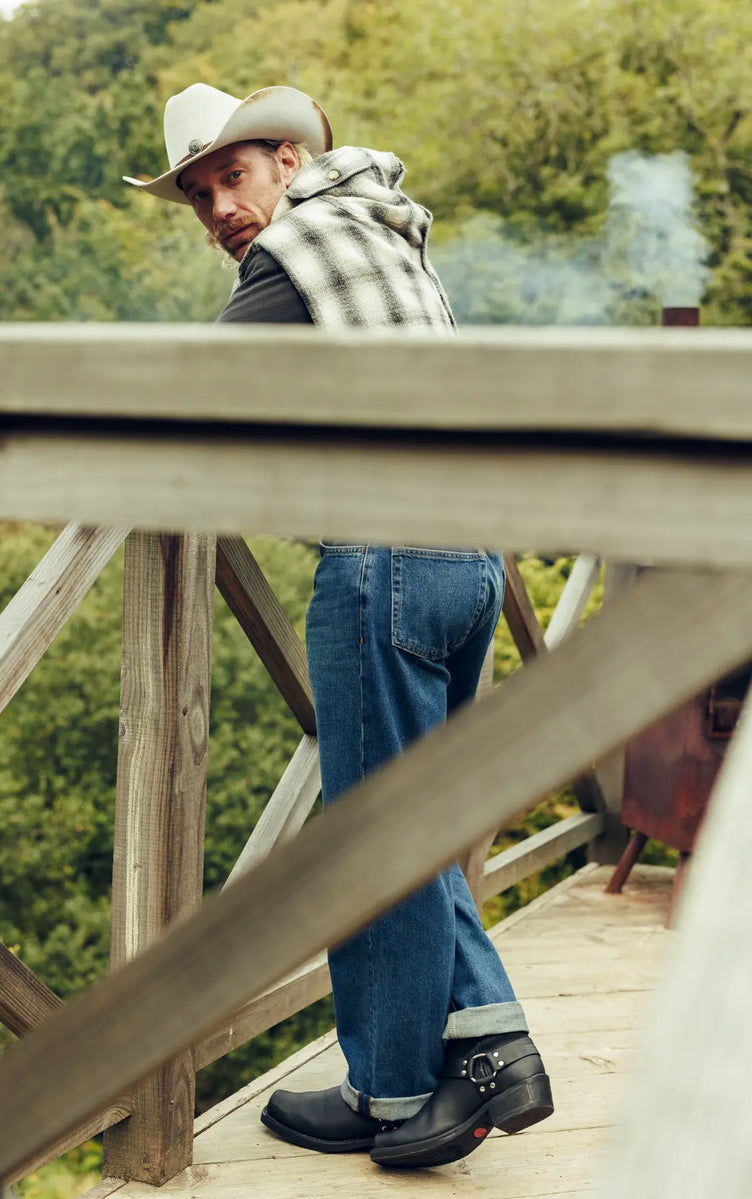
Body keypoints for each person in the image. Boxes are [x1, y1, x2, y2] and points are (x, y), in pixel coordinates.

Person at [124, 83, 553, 1169]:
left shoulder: (289, 253)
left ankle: (485, 1049)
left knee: (376, 831)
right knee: (407, 818)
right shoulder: (384, 236)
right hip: (470, 563)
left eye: (230, 177)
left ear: (281, 158)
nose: (218, 207)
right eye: (197, 195)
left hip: (384, 562)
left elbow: (198, 390)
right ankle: (390, 1081)